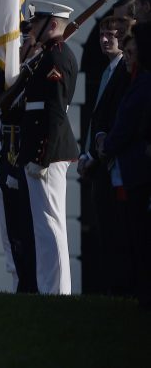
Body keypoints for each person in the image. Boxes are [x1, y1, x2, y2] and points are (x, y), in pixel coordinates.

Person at [16, 0, 79, 295]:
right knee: (44, 226)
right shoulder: (47, 57)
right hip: (42, 150)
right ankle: (49, 289)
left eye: (37, 23)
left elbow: (55, 112)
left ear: (52, 25)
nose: (32, 29)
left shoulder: (56, 59)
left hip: (48, 153)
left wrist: (41, 156)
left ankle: (57, 291)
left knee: (51, 224)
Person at [77, 16, 132, 294]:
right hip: (98, 162)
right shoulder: (108, 70)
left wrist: (96, 155)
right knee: (104, 232)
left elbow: (113, 119)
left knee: (115, 234)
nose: (106, 39)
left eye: (113, 34)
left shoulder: (123, 70)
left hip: (111, 164)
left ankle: (119, 292)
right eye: (102, 34)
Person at [99, 24, 151, 309]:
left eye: (132, 52)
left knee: (138, 237)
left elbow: (127, 124)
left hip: (136, 171)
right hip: (127, 170)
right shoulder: (136, 81)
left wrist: (107, 146)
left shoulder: (143, 83)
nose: (128, 57)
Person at [0, 23, 38, 293]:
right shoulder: (10, 68)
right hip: (6, 152)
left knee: (29, 223)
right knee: (10, 226)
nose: (20, 43)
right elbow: (1, 93)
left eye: (25, 38)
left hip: (24, 151)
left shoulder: (38, 67)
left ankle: (29, 281)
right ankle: (18, 279)